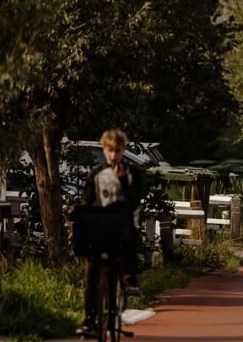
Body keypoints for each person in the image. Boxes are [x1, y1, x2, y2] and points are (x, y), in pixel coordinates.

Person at [76, 129, 145, 337]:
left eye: (118, 150)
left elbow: (134, 202)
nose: (113, 155)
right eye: (109, 150)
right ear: (104, 150)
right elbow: (87, 200)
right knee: (93, 273)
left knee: (131, 238)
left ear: (123, 150)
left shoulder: (132, 173)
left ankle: (130, 276)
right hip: (101, 226)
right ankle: (89, 318)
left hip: (123, 225)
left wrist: (123, 181)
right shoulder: (97, 174)